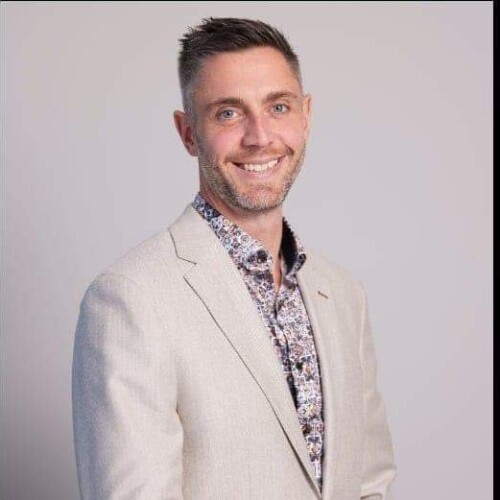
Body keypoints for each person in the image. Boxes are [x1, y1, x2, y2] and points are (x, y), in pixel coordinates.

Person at [72, 17, 397, 500]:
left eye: (278, 107)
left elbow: (370, 483)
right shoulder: (130, 301)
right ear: (188, 133)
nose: (259, 136)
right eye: (228, 113)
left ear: (306, 116)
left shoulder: (344, 295)